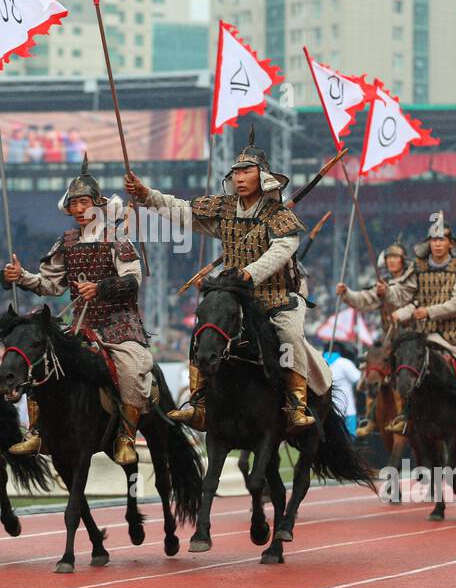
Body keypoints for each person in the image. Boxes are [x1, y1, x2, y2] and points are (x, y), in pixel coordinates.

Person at [125, 127, 331, 432]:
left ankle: (296, 403)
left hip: (278, 297)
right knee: (203, 330)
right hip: (235, 297)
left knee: (290, 335)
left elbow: (283, 248)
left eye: (246, 171)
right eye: (235, 172)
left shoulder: (279, 216)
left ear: (261, 176)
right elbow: (182, 211)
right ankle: (199, 403)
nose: (239, 177)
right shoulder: (222, 209)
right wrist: (147, 195)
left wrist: (250, 273)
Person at [2, 157, 153, 464]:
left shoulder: (116, 237)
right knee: (42, 363)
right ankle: (36, 431)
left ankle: (125, 435)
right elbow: (51, 285)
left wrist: (101, 288)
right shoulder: (67, 241)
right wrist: (22, 277)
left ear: (98, 205)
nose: (80, 208)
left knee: (133, 370)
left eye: (85, 202)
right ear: (68, 209)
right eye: (74, 204)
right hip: (79, 325)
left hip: (118, 323)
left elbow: (133, 279)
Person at [383, 212, 456, 436]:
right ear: (429, 243)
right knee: (403, 365)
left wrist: (428, 311)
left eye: (442, 240)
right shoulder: (418, 268)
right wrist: (389, 295)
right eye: (434, 240)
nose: (438, 244)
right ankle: (405, 414)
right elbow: (404, 295)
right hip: (426, 335)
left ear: (450, 244)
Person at [336, 239, 412, 436]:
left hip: (413, 337)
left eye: (395, 257)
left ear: (403, 260)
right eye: (388, 257)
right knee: (370, 373)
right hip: (389, 341)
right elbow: (364, 300)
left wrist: (387, 293)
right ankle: (371, 417)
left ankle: (411, 412)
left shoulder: (412, 281)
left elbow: (404, 298)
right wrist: (347, 294)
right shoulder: (382, 284)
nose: (391, 261)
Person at [324, 343, 362, 436]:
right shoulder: (344, 363)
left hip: (326, 411)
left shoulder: (319, 362)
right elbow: (359, 380)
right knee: (349, 440)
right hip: (347, 410)